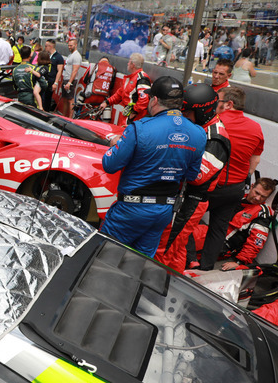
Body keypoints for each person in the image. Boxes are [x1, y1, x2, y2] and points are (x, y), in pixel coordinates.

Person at [100, 76, 207, 257]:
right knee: (140, 263)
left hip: (131, 210)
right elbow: (191, 175)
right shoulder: (198, 133)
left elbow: (110, 164)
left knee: (105, 258)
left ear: (155, 100)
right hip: (163, 211)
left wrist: (115, 144)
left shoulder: (139, 128)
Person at [154, 84, 229, 273]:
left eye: (188, 113)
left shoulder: (217, 139)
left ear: (202, 112)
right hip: (181, 197)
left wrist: (169, 155)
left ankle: (154, 286)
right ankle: (174, 285)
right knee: (178, 249)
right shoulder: (198, 127)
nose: (183, 116)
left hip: (191, 202)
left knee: (165, 247)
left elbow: (198, 176)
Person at [199, 86, 265, 270]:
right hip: (235, 188)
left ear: (228, 104)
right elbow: (256, 158)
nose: (215, 105)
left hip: (210, 185)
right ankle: (206, 266)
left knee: (185, 219)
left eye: (218, 102)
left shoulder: (215, 122)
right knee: (218, 228)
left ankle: (190, 259)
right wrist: (247, 177)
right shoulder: (256, 127)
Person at [192, 178, 277, 270]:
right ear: (252, 186)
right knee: (181, 234)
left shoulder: (262, 213)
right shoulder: (238, 196)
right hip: (208, 230)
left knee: (184, 249)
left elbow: (256, 242)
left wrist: (239, 262)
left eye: (263, 197)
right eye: (257, 193)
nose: (258, 198)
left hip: (221, 244)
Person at [100, 53, 151, 125]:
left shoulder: (142, 78)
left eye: (129, 62)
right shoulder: (130, 78)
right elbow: (119, 93)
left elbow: (144, 100)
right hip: (127, 115)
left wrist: (134, 112)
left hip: (134, 119)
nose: (127, 63)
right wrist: (107, 102)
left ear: (133, 65)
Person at [57, 38, 81, 118]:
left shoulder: (77, 56)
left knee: (70, 99)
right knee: (65, 98)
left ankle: (70, 117)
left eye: (71, 45)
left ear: (75, 45)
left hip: (70, 80)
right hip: (66, 78)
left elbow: (75, 70)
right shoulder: (70, 55)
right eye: (68, 45)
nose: (69, 47)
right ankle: (64, 115)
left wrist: (70, 82)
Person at [43, 39, 65, 112]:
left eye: (46, 46)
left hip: (51, 80)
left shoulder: (58, 57)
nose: (45, 47)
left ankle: (46, 111)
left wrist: (56, 82)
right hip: (44, 79)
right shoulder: (47, 55)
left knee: (47, 98)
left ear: (50, 46)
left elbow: (59, 71)